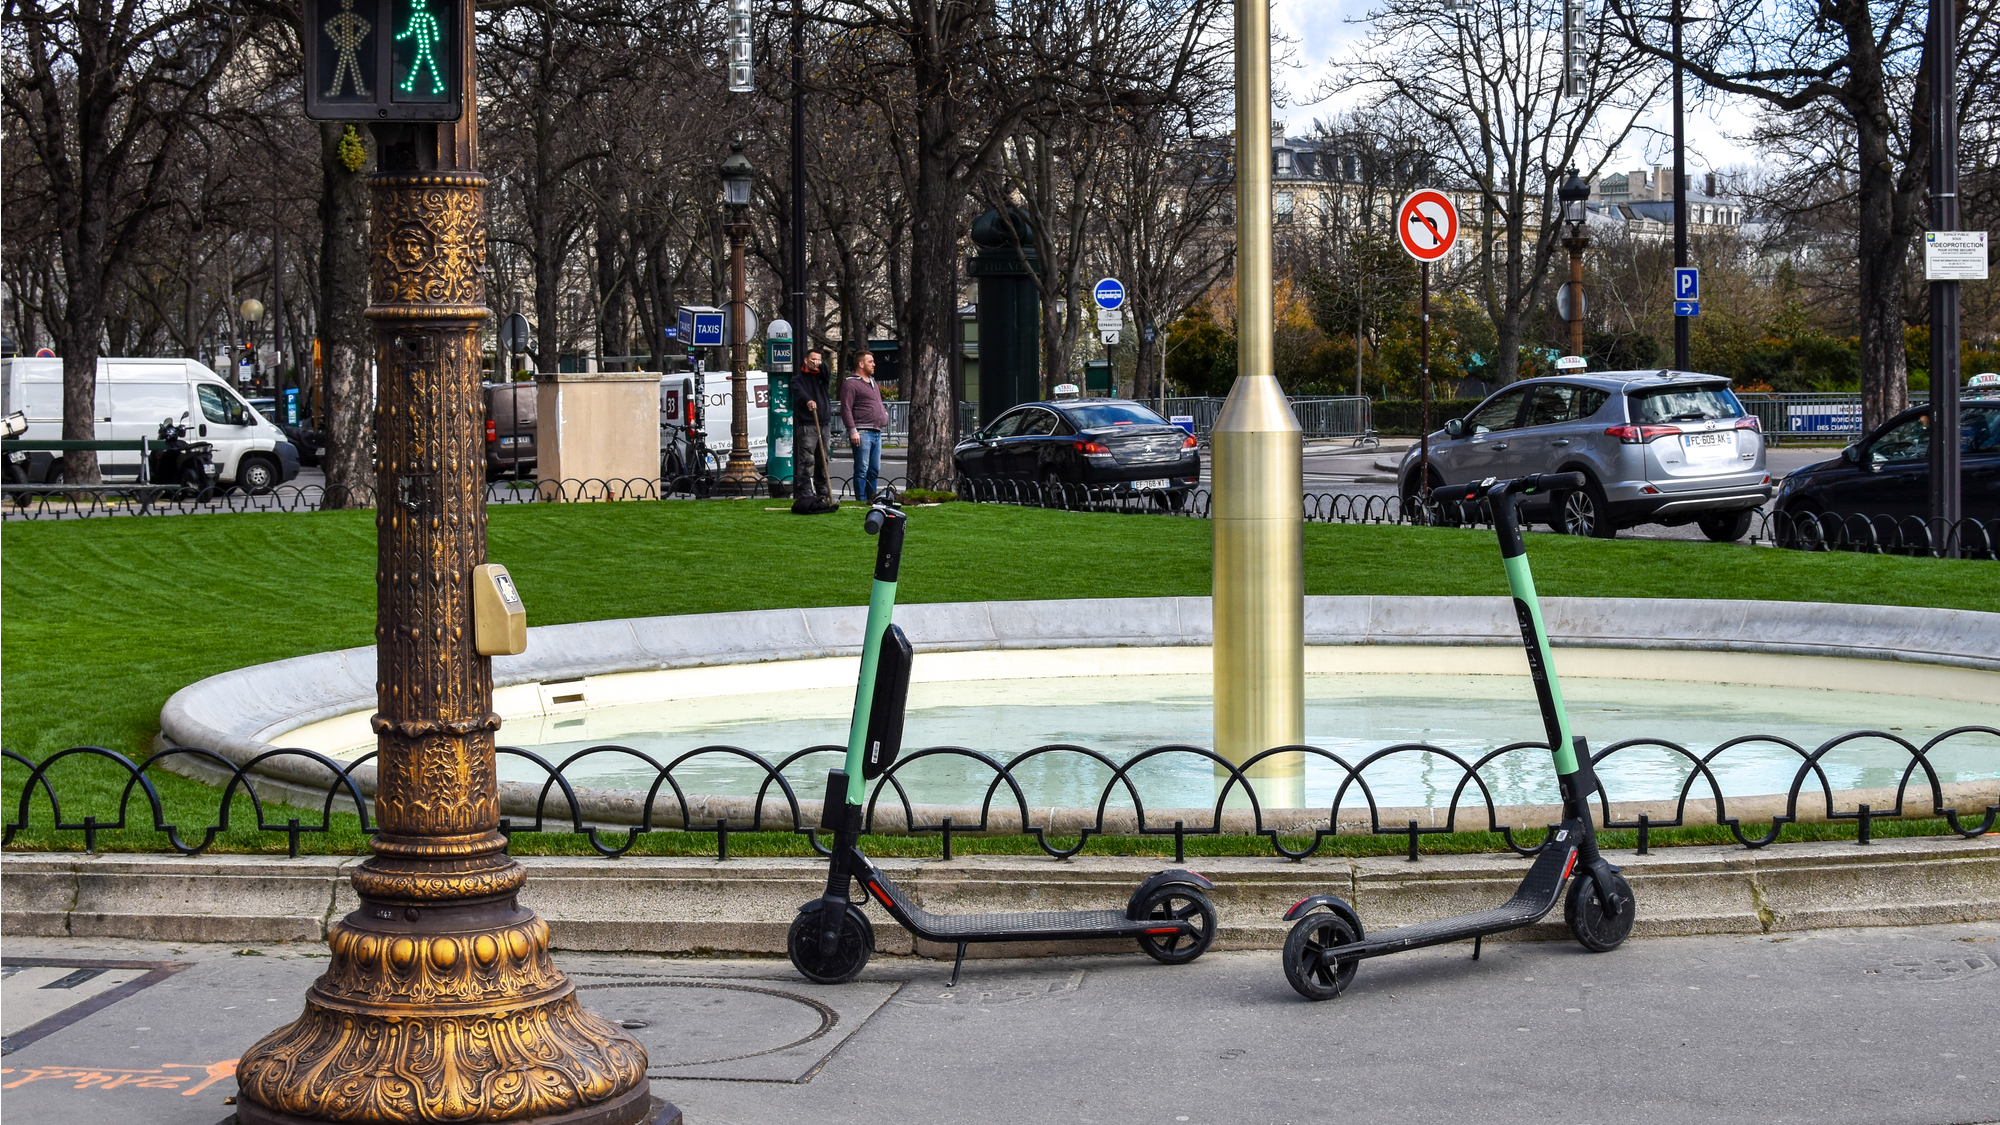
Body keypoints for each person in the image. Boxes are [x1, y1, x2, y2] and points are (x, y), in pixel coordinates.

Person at [790, 349, 837, 513]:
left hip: (824, 424)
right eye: (813, 359)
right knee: (807, 459)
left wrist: (821, 364)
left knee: (823, 459)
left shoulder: (822, 377)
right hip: (807, 424)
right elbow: (799, 393)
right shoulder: (798, 380)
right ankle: (805, 491)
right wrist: (808, 400)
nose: (816, 362)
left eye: (818, 359)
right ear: (806, 360)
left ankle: (822, 490)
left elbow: (828, 373)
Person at [840, 349, 887, 501]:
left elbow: (877, 403)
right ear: (861, 364)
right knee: (862, 468)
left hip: (876, 431)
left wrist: (884, 415)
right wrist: (853, 430)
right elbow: (846, 408)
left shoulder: (872, 382)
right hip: (862, 432)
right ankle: (861, 500)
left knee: (874, 469)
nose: (874, 364)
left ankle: (871, 499)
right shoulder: (851, 383)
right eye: (870, 362)